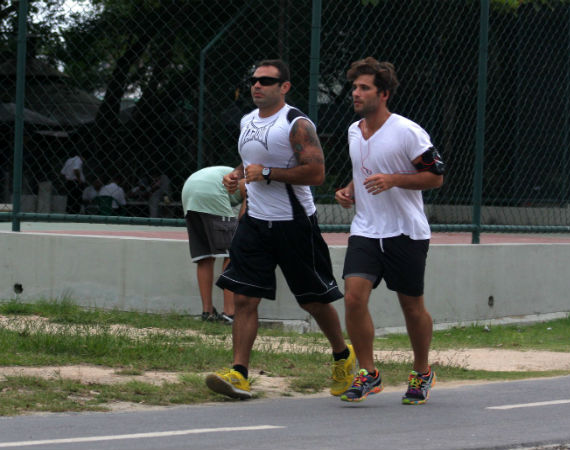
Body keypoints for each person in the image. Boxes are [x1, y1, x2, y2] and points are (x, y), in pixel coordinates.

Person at [205, 59, 357, 400]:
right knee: (244, 297)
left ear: (284, 87)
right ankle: (239, 374)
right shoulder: (247, 121)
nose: (257, 85)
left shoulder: (296, 124)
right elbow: (251, 162)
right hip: (255, 222)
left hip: (295, 224)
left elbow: (315, 173)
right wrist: (237, 174)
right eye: (254, 80)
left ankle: (342, 356)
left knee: (314, 302)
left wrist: (268, 173)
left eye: (266, 81)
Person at [335, 57, 445, 404]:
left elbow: (436, 177)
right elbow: (364, 168)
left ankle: (422, 371)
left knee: (411, 307)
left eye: (364, 88)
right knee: (353, 297)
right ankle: (368, 372)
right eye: (354, 87)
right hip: (366, 229)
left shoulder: (408, 132)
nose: (356, 93)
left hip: (405, 232)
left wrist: (395, 180)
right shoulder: (355, 130)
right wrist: (349, 190)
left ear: (383, 94)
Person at [181, 166, 246, 324]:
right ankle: (230, 313)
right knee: (231, 254)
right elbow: (243, 218)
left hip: (189, 191)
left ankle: (207, 311)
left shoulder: (230, 171)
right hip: (211, 191)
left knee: (205, 257)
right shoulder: (254, 183)